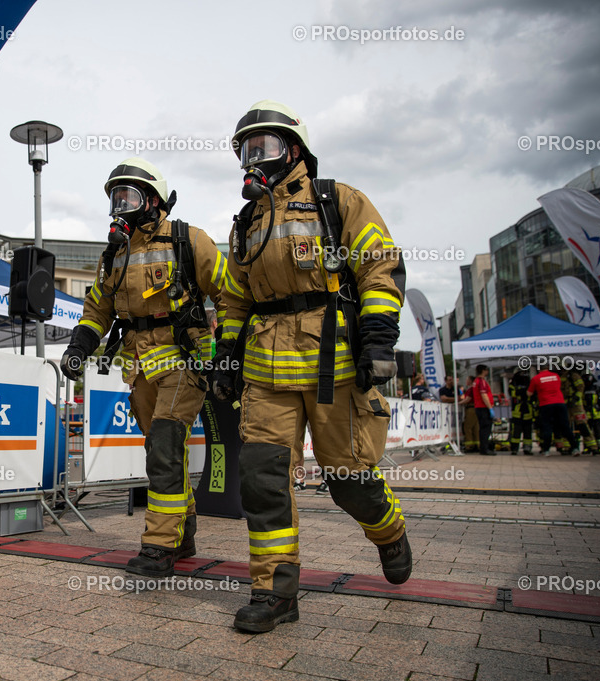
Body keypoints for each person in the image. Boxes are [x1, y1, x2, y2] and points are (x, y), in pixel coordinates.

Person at [210, 100, 410, 633]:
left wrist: (380, 340)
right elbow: (233, 298)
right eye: (247, 149)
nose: (256, 156)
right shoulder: (246, 223)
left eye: (266, 145)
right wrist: (225, 355)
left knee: (349, 478)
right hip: (265, 371)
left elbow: (379, 267)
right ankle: (274, 592)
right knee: (261, 480)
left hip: (335, 365)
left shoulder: (336, 201)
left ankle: (388, 530)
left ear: (293, 149)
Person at [60, 158, 235, 577]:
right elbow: (96, 310)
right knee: (162, 452)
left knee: (163, 447)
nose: (120, 206)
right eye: (115, 198)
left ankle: (159, 546)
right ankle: (184, 531)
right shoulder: (115, 254)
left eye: (129, 196)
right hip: (139, 369)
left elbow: (230, 293)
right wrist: (79, 346)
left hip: (185, 360)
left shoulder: (188, 240)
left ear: (153, 200)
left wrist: (227, 349)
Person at [528, 368, 576, 456]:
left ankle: (546, 450)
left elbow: (529, 393)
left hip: (546, 404)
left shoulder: (536, 378)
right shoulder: (556, 376)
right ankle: (575, 448)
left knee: (547, 427)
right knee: (565, 426)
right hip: (560, 402)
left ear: (539, 369)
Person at [564, 370, 598, 456]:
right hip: (566, 403)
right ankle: (567, 447)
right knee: (566, 425)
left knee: (582, 424)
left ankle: (592, 446)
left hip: (576, 404)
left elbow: (581, 386)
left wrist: (577, 397)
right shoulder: (560, 376)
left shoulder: (573, 375)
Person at [509, 369, 536, 455]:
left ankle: (527, 448)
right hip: (518, 411)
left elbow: (532, 394)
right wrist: (524, 392)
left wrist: (522, 392)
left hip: (527, 410)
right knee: (516, 432)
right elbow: (513, 393)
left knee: (527, 432)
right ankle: (514, 448)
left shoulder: (529, 383)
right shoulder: (513, 384)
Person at [471, 365, 495, 455]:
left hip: (478, 407)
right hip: (483, 408)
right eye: (486, 370)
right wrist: (490, 408)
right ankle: (485, 449)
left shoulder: (475, 381)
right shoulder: (481, 381)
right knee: (486, 429)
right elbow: (484, 395)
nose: (487, 371)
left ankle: (483, 448)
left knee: (482, 429)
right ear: (483, 371)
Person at [584, 373, 600, 454]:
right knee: (587, 432)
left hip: (597, 414)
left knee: (599, 432)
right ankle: (588, 447)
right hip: (586, 415)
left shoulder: (597, 389)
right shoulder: (583, 390)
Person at [461, 376, 479, 452]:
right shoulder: (474, 389)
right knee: (475, 428)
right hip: (476, 409)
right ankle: (477, 444)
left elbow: (467, 399)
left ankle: (469, 445)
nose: (466, 381)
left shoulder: (471, 389)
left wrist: (458, 403)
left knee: (467, 427)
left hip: (471, 408)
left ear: (471, 381)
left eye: (467, 380)